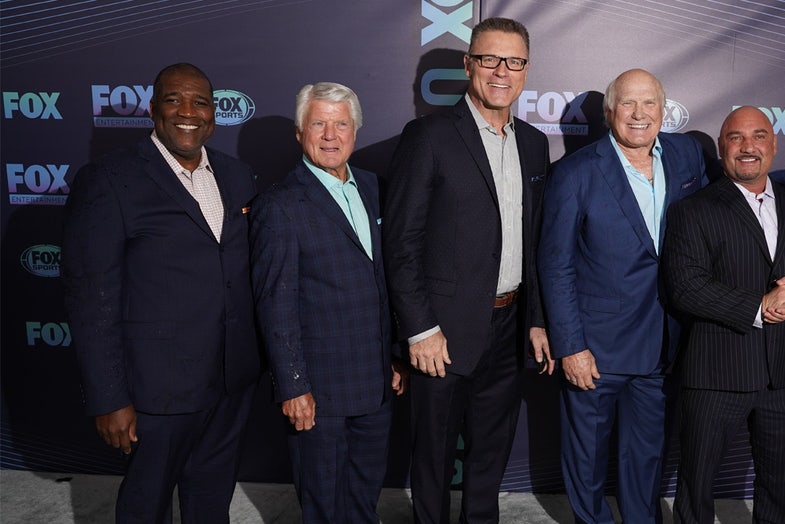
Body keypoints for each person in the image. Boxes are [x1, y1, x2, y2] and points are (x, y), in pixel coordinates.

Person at [537, 69, 785, 524]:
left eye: (649, 104)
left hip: (667, 341)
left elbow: (745, 177)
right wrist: (570, 345)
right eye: (627, 104)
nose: (639, 115)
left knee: (645, 458)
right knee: (587, 458)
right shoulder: (574, 173)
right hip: (595, 345)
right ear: (609, 113)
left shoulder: (685, 154)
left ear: (663, 111)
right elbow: (555, 262)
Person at [61, 63, 262, 523]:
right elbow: (91, 299)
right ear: (153, 109)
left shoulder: (237, 175)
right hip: (155, 393)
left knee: (212, 502)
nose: (188, 112)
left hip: (230, 382)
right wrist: (110, 398)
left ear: (214, 113)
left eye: (201, 102)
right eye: (175, 100)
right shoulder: (109, 180)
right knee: (146, 507)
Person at [383, 17, 555, 523]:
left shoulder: (533, 143)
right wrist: (418, 329)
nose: (502, 71)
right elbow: (402, 241)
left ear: (526, 70)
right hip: (442, 330)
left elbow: (535, 240)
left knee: (490, 454)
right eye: (489, 59)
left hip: (509, 325)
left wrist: (538, 318)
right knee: (433, 459)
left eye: (514, 61)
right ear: (468, 65)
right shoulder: (428, 136)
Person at [662, 106, 785, 524]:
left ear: (774, 144)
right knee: (695, 491)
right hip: (716, 374)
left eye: (759, 136)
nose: (748, 147)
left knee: (779, 493)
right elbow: (687, 286)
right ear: (721, 148)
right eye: (736, 138)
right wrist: (759, 306)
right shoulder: (692, 210)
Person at [249, 82, 407, 523]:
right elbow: (274, 303)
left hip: (376, 383)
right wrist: (294, 384)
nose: (331, 135)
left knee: (364, 495)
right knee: (323, 503)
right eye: (318, 123)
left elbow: (385, 280)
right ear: (300, 133)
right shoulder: (279, 204)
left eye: (341, 124)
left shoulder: (376, 188)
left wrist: (394, 355)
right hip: (319, 390)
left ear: (355, 131)